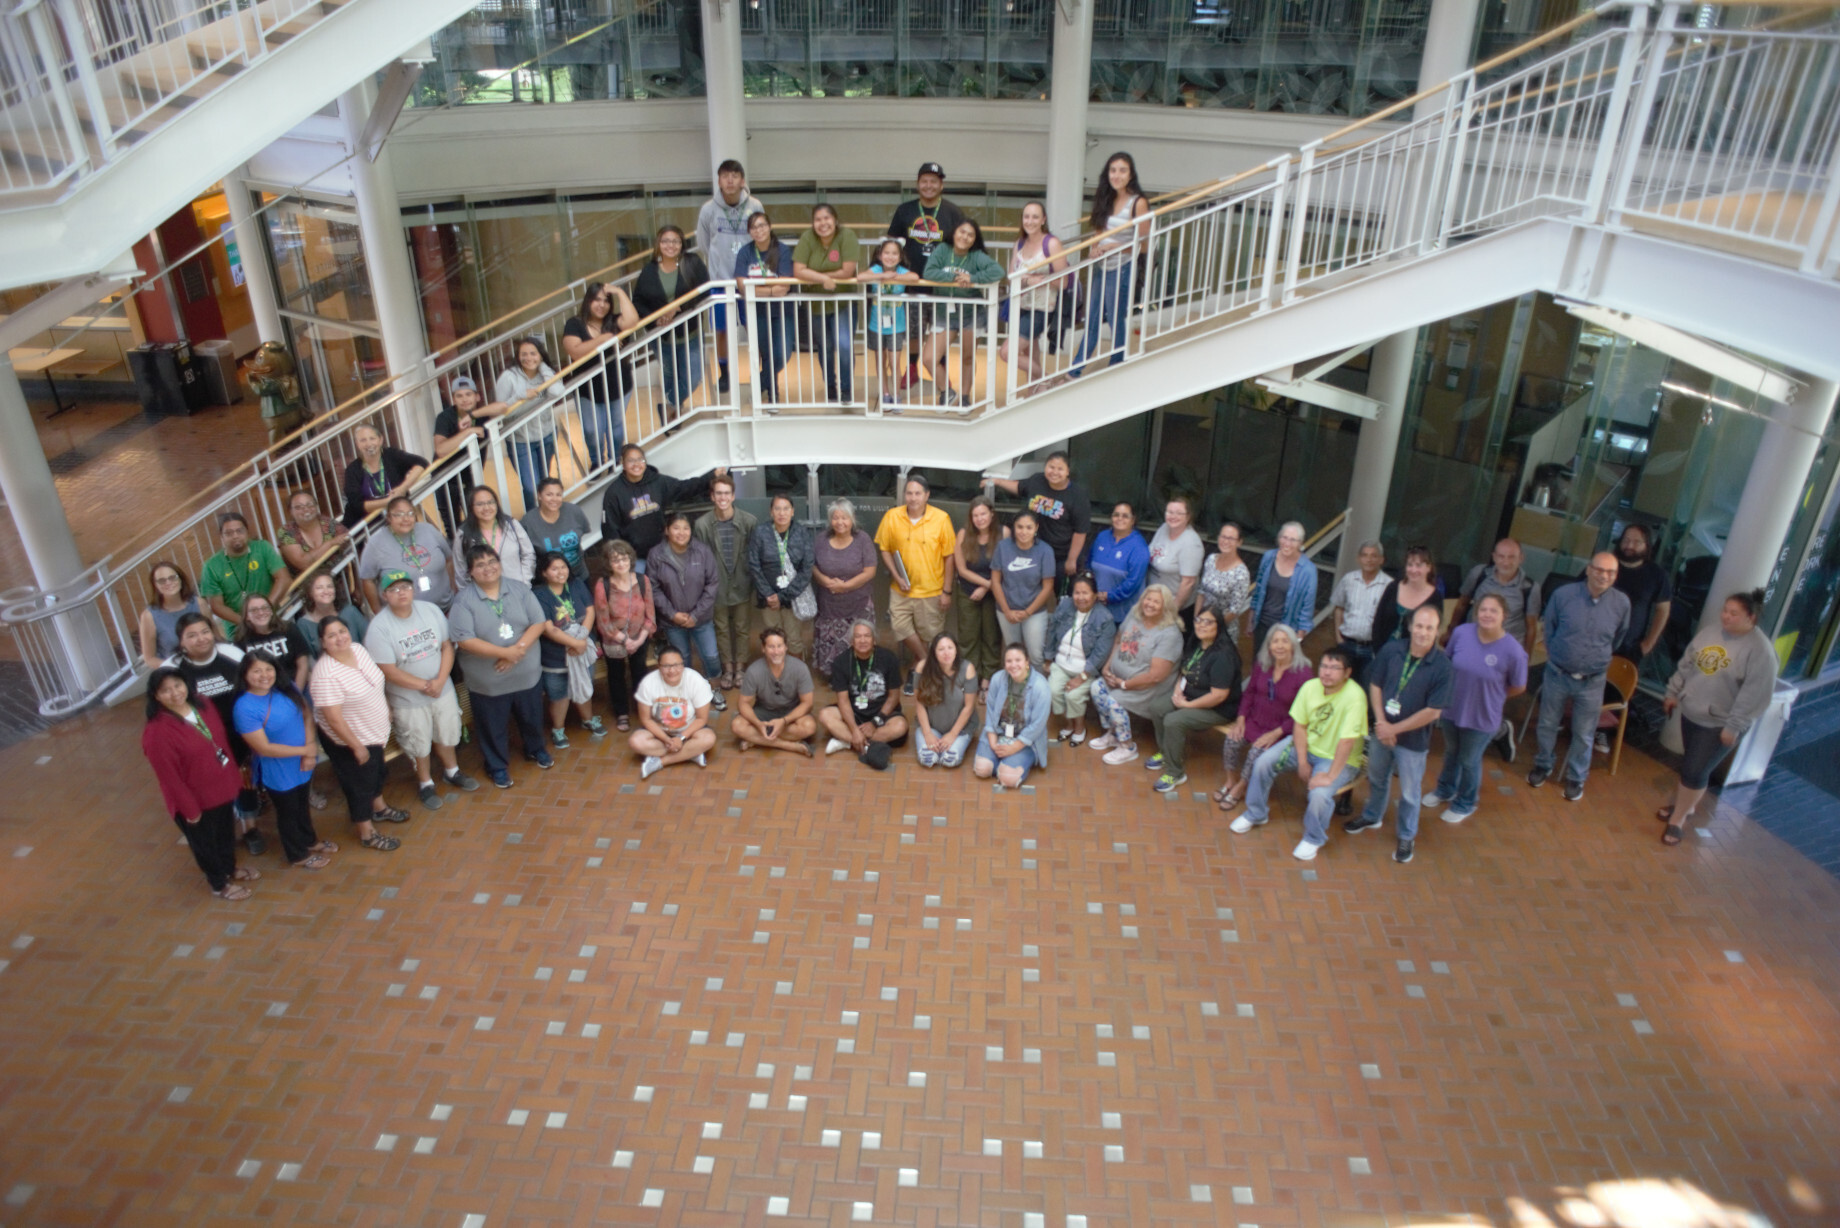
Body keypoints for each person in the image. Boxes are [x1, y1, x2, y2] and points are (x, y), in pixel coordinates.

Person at [1658, 589, 1777, 845]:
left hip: (1720, 723)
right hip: (1693, 712)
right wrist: (1673, 691)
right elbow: (1687, 664)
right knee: (1691, 764)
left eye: (1734, 614)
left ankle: (1677, 819)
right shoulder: (1710, 632)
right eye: (1725, 610)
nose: (1726, 616)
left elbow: (1754, 696)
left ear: (1751, 618)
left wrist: (1733, 727)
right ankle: (1685, 806)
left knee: (1695, 770)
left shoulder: (1761, 652)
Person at [1229, 646, 1368, 863]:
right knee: (1263, 761)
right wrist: (1303, 762)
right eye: (1324, 666)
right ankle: (1256, 813)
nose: (1327, 672)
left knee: (1320, 794)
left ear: (1347, 673)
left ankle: (1314, 837)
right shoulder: (1311, 687)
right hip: (1305, 747)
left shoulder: (1355, 697)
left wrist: (1330, 776)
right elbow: (1300, 727)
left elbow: (1347, 741)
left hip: (1338, 759)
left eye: (1334, 668)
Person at [1344, 605, 1453, 865]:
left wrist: (1395, 729)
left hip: (1412, 742)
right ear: (1409, 626)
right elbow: (1375, 684)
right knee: (1377, 777)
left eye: (1429, 627)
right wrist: (1382, 723)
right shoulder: (1392, 650)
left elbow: (1433, 712)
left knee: (1410, 792)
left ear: (1437, 631)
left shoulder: (1443, 667)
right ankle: (1372, 815)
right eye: (1419, 625)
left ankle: (1406, 835)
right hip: (1382, 731)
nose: (1423, 632)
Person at [364, 570, 477, 809]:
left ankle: (452, 770)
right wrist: (424, 686)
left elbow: (447, 646)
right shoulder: (379, 627)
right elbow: (388, 669)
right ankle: (425, 783)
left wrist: (440, 679)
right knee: (418, 742)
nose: (401, 593)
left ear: (413, 589)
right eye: (393, 589)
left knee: (447, 732)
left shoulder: (431, 611)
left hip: (442, 689)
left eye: (405, 587)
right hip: (408, 699)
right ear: (384, 595)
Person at [142, 666, 255, 899]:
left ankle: (229, 869)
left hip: (222, 787)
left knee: (225, 833)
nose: (174, 693)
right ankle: (218, 884)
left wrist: (234, 777)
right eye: (165, 690)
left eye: (178, 685)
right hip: (196, 800)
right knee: (206, 844)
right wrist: (190, 810)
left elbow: (220, 742)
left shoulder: (202, 703)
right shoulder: (157, 732)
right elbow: (169, 778)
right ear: (155, 696)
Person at [449, 545, 555, 789]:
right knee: (492, 727)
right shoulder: (463, 601)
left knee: (531, 717)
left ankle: (535, 749)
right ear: (471, 572)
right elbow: (464, 639)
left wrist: (515, 653)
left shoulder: (519, 589)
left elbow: (538, 622)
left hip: (525, 673)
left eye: (491, 561)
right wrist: (504, 653)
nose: (488, 568)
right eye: (480, 564)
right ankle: (497, 766)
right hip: (488, 682)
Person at [1528, 552, 1631, 803]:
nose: (1603, 576)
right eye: (1598, 569)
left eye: (1610, 572)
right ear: (1588, 570)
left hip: (1593, 681)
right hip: (1557, 674)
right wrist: (1558, 654)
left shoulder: (1622, 604)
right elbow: (1549, 627)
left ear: (1616, 576)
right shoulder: (1563, 595)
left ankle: (1576, 777)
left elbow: (1619, 636)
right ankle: (1543, 764)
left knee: (1584, 733)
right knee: (1548, 723)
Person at [1424, 593, 1528, 825]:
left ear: (1505, 616)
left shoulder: (1513, 651)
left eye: (1494, 611)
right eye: (1483, 609)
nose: (1487, 615)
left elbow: (1519, 686)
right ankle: (1445, 789)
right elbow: (1447, 664)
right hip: (1452, 708)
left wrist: (1496, 695)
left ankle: (1465, 803)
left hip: (1482, 715)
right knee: (1451, 752)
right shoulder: (1462, 633)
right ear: (1476, 612)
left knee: (1469, 760)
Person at [307, 616, 409, 851]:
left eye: (342, 631)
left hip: (372, 730)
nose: (339, 638)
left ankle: (380, 808)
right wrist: (356, 746)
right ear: (322, 642)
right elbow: (333, 718)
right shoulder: (325, 675)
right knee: (359, 785)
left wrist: (386, 706)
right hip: (350, 739)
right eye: (331, 636)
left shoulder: (358, 649)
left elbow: (374, 681)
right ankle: (366, 833)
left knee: (376, 772)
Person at [166, 612, 262, 851]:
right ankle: (223, 831)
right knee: (213, 786)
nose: (201, 639)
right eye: (192, 635)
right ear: (181, 641)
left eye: (205, 632)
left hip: (238, 732)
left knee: (244, 780)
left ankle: (250, 827)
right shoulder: (172, 669)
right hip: (200, 741)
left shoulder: (232, 655)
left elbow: (251, 687)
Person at [231, 653, 332, 870]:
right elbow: (264, 748)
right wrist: (307, 749)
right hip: (278, 769)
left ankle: (310, 841)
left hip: (303, 762)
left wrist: (309, 752)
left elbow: (306, 715)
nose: (264, 675)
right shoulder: (244, 707)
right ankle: (297, 854)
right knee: (288, 812)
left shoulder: (287, 688)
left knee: (302, 805)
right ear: (245, 675)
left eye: (268, 669)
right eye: (256, 671)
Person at [1068, 152, 1150, 379]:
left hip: (1123, 267)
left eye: (1122, 170)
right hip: (1101, 265)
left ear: (1131, 174)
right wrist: (1094, 248)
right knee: (1092, 317)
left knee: (1115, 317)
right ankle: (1076, 368)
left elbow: (1143, 245)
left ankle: (1117, 361)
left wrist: (1113, 246)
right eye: (1113, 170)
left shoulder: (1138, 203)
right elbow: (1098, 235)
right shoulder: (1105, 198)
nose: (1117, 175)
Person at [1215, 623, 1313, 811]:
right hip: (1255, 721)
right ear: (1269, 646)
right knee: (1231, 740)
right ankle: (1230, 781)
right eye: (1275, 641)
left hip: (1282, 729)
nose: (1280, 646)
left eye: (1285, 641)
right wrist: (1241, 719)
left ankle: (1240, 787)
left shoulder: (1304, 673)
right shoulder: (1263, 664)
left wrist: (1277, 733)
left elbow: (1303, 714)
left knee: (1255, 754)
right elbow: (1250, 692)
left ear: (1293, 644)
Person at [875, 474, 957, 695]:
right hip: (900, 590)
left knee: (929, 634)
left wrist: (947, 591)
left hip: (931, 590)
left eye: (918, 493)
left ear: (927, 495)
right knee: (900, 627)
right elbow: (885, 549)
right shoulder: (892, 516)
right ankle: (928, 663)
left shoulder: (941, 519)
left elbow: (949, 557)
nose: (913, 498)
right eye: (909, 493)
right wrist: (896, 575)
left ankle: (918, 670)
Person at [888, 161, 968, 387]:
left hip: (942, 285)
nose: (929, 185)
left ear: (941, 185)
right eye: (924, 181)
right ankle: (912, 368)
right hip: (912, 282)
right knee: (914, 330)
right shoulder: (905, 210)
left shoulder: (952, 212)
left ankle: (939, 372)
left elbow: (962, 246)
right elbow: (892, 244)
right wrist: (890, 272)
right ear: (917, 184)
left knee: (939, 329)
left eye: (934, 181)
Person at [1146, 607, 1242, 794]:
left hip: (1218, 708)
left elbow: (1219, 695)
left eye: (1208, 622)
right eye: (1199, 620)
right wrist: (1176, 693)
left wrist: (1187, 705)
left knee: (1174, 720)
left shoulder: (1223, 655)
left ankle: (1175, 773)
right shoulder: (1197, 644)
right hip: (1190, 695)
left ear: (1219, 625)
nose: (1201, 625)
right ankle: (1167, 752)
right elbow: (1184, 673)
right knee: (1157, 707)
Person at [1087, 584, 1183, 766]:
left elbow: (1156, 676)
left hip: (1148, 688)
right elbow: (1118, 639)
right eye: (1148, 599)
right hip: (1118, 678)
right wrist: (1107, 668)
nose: (1150, 604)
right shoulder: (1135, 614)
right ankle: (1113, 734)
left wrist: (1124, 684)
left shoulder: (1170, 634)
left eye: (1157, 602)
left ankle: (1127, 747)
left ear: (1166, 606)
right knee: (1096, 688)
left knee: (1114, 701)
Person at [696, 158, 765, 394]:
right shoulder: (708, 209)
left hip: (749, 281)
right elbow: (704, 243)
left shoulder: (754, 205)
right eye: (725, 176)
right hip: (720, 282)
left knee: (754, 328)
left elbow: (762, 237)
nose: (730, 180)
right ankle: (724, 372)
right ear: (719, 180)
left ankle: (760, 372)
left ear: (742, 180)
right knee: (722, 330)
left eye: (735, 175)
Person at [599, 444, 726, 568]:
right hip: (634, 561)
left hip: (661, 555)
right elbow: (610, 532)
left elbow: (684, 488)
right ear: (623, 463)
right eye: (631, 461)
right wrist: (621, 560)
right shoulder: (614, 493)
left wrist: (711, 477)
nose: (636, 464)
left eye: (640, 460)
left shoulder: (658, 482)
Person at [920, 219, 1003, 408]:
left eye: (970, 234)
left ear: (975, 239)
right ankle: (946, 391)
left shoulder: (976, 256)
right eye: (962, 232)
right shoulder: (942, 250)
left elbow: (998, 271)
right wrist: (955, 278)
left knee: (967, 357)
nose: (965, 237)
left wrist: (973, 278)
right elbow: (928, 272)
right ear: (954, 232)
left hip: (971, 313)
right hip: (944, 313)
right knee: (929, 358)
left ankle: (965, 396)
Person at [632, 224, 712, 419]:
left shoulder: (692, 263)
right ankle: (673, 414)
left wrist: (678, 307)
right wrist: (656, 318)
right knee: (669, 375)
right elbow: (638, 302)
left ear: (682, 244)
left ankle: (669, 405)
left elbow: (705, 291)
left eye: (675, 241)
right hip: (661, 336)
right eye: (666, 241)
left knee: (693, 377)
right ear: (659, 244)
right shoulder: (649, 270)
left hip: (689, 333)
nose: (671, 245)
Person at [648, 512, 725, 709]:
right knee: (681, 658)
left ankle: (714, 690)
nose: (681, 533)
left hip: (701, 618)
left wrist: (696, 614)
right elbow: (653, 589)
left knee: (711, 655)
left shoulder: (702, 551)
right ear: (667, 530)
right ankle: (688, 695)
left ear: (691, 531)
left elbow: (712, 584)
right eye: (676, 528)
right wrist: (672, 614)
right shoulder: (656, 555)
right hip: (672, 621)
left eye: (685, 528)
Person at [559, 278, 638, 470]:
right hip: (588, 389)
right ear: (588, 301)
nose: (601, 305)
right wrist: (605, 338)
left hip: (618, 384)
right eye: (596, 300)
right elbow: (576, 352)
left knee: (616, 429)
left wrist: (619, 292)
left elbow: (633, 321)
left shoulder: (614, 321)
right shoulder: (575, 324)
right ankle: (596, 460)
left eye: (606, 300)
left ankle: (614, 460)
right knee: (592, 430)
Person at [694, 473, 760, 690]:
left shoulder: (749, 521)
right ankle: (728, 668)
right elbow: (701, 559)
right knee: (721, 628)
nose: (723, 498)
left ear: (733, 496)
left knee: (742, 627)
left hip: (742, 582)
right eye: (718, 493)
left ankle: (740, 668)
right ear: (712, 496)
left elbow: (754, 555)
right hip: (716, 586)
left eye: (727, 493)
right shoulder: (702, 525)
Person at [989, 452, 1091, 591]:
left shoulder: (1078, 495)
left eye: (1060, 469)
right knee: (1032, 589)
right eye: (1051, 467)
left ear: (1068, 472)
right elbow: (1019, 487)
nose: (1054, 472)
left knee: (1061, 593)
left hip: (1061, 555)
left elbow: (1081, 531)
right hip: (1033, 549)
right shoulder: (1037, 481)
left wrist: (1072, 559)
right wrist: (997, 481)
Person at [791, 203, 861, 404]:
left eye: (826, 218)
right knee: (825, 346)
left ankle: (846, 389)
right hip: (816, 304)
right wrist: (824, 279)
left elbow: (847, 271)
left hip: (843, 302)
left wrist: (814, 276)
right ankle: (830, 384)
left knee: (844, 344)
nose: (823, 223)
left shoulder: (846, 236)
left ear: (835, 220)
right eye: (818, 219)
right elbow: (798, 270)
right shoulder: (807, 238)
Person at [534, 551, 604, 748]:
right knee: (558, 694)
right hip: (555, 655)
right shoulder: (539, 594)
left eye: (563, 567)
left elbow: (590, 610)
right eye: (554, 569)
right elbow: (547, 628)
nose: (560, 572)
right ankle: (558, 729)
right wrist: (574, 644)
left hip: (582, 649)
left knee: (584, 684)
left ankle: (588, 719)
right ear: (544, 573)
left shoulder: (576, 584)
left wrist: (581, 639)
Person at [821, 619, 909, 764]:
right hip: (854, 712)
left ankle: (846, 742)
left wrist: (875, 722)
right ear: (851, 641)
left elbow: (894, 696)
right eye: (858, 636)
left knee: (900, 726)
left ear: (874, 640)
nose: (862, 640)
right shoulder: (841, 662)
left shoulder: (889, 658)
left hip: (881, 714)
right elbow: (843, 700)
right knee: (825, 715)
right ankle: (860, 742)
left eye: (867, 636)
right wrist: (854, 729)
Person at [590, 538, 655, 734]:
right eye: (615, 560)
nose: (621, 563)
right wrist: (626, 641)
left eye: (624, 559)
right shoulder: (603, 585)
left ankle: (641, 706)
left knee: (639, 672)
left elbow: (650, 615)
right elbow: (603, 622)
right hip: (614, 640)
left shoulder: (643, 581)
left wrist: (640, 639)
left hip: (640, 636)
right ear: (608, 563)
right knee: (616, 676)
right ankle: (622, 712)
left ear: (631, 559)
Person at [733, 210, 796, 409]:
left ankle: (760, 382)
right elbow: (742, 286)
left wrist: (757, 289)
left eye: (762, 225)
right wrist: (770, 290)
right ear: (749, 232)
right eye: (754, 227)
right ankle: (773, 395)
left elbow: (784, 287)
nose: (758, 230)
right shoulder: (745, 252)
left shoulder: (783, 250)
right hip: (756, 312)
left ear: (769, 227)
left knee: (782, 353)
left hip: (781, 312)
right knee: (766, 353)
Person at [1001, 201, 1067, 389]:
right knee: (1031, 354)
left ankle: (1046, 378)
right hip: (1020, 305)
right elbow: (1010, 278)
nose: (1030, 221)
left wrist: (1041, 280)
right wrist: (1028, 280)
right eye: (1026, 216)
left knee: (1007, 353)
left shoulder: (1052, 243)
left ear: (1043, 220)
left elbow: (1063, 282)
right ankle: (1035, 391)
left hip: (1041, 308)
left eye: (1035, 217)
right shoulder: (1020, 244)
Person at [493, 336, 563, 511]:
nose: (528, 358)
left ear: (541, 355)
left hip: (546, 434)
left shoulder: (545, 373)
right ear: (517, 356)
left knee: (544, 484)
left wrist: (544, 368)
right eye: (524, 354)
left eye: (533, 354)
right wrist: (520, 398)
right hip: (520, 441)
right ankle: (532, 520)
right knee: (531, 487)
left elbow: (557, 392)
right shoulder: (509, 377)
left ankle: (546, 515)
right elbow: (500, 412)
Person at [1045, 574, 1116, 746]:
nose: (1081, 598)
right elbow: (1052, 631)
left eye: (1085, 593)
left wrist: (1082, 677)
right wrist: (1048, 658)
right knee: (1053, 691)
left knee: (1073, 695)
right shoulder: (1065, 606)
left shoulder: (1105, 618)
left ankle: (1079, 728)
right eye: (1077, 593)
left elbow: (1101, 653)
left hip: (1086, 669)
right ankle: (1068, 725)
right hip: (1061, 664)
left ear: (1095, 595)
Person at [811, 499, 879, 676]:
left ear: (852, 519)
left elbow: (870, 571)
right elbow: (812, 565)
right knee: (831, 642)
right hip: (829, 605)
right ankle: (833, 674)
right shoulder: (821, 540)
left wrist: (846, 586)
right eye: (835, 517)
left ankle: (859, 673)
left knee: (860, 640)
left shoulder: (862, 539)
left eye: (844, 517)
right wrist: (825, 580)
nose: (840, 522)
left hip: (859, 604)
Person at [431, 376, 506, 533]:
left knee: (477, 522)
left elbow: (503, 407)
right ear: (453, 399)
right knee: (452, 528)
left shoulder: (481, 415)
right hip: (445, 479)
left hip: (470, 478)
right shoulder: (445, 417)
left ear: (477, 396)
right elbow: (441, 450)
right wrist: (469, 431)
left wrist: (472, 415)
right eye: (459, 395)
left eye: (468, 394)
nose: (464, 399)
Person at [630, 646, 717, 779]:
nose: (672, 671)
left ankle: (659, 762)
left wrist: (681, 738)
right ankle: (691, 753)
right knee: (636, 741)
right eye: (666, 666)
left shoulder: (696, 680)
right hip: (660, 732)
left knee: (708, 738)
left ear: (683, 665)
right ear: (659, 667)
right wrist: (666, 739)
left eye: (676, 665)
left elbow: (701, 719)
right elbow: (646, 719)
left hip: (689, 731)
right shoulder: (648, 683)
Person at [748, 493, 815, 661]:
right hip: (768, 598)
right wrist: (769, 595)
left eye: (786, 509)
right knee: (773, 638)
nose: (781, 513)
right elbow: (754, 565)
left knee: (794, 638)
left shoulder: (801, 532)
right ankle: (776, 673)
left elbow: (807, 568)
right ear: (771, 512)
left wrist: (784, 596)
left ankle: (795, 675)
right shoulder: (760, 532)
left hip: (793, 597)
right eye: (777, 509)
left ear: (792, 512)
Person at [360, 496, 456, 612]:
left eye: (410, 513)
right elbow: (367, 580)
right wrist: (378, 612)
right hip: (405, 618)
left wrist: (453, 591)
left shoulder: (429, 530)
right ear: (389, 518)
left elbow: (449, 560)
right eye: (399, 515)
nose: (406, 518)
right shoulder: (376, 543)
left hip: (445, 609)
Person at [199, 512, 290, 635]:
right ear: (221, 536)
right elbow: (216, 606)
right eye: (229, 533)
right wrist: (246, 621)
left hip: (273, 619)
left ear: (247, 532)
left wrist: (264, 610)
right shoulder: (211, 566)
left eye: (239, 531)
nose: (235, 536)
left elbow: (283, 579)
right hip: (238, 629)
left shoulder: (263, 548)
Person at [1448, 537, 1541, 657]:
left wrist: (1525, 658)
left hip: (1504, 653)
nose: (1506, 562)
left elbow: (1531, 627)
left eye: (1511, 557)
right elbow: (1462, 604)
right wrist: (1450, 632)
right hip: (1472, 644)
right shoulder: (1479, 574)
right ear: (1494, 557)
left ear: (1521, 558)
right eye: (1501, 556)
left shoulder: (1530, 588)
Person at [976, 643, 1052, 788]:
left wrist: (1013, 748)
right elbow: (991, 712)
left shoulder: (1041, 687)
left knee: (1008, 779)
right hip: (998, 734)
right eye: (1009, 661)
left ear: (1027, 662)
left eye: (1018, 660)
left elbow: (1037, 725)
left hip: (1024, 741)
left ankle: (1012, 761)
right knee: (982, 769)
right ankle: (1003, 761)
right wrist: (992, 742)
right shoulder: (998, 679)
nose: (1013, 665)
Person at [733, 626, 817, 755]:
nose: (776, 651)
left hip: (790, 712)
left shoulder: (800, 668)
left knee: (809, 727)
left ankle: (757, 740)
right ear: (763, 649)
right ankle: (790, 746)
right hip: (764, 711)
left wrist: (784, 721)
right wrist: (757, 724)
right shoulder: (754, 670)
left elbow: (807, 703)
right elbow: (743, 703)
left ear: (786, 647)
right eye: (771, 647)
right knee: (737, 725)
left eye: (779, 646)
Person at [952, 496, 1006, 685]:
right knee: (968, 637)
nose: (979, 518)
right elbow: (961, 569)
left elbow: (1006, 565)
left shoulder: (1003, 533)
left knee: (992, 637)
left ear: (991, 514)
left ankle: (988, 680)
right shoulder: (963, 534)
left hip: (995, 592)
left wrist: (986, 586)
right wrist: (985, 584)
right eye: (975, 515)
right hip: (968, 590)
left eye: (983, 513)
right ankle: (971, 676)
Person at [860, 237, 918, 410]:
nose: (890, 257)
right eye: (886, 253)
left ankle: (897, 396)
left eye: (894, 253)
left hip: (896, 326)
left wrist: (896, 277)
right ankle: (885, 394)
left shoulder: (901, 270)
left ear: (900, 257)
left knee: (895, 363)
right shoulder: (876, 269)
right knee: (880, 360)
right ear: (879, 254)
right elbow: (861, 276)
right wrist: (882, 276)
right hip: (876, 325)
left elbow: (914, 277)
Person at [993, 510, 1055, 665]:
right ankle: (1016, 687)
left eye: (1029, 527)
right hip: (1007, 611)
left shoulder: (1045, 551)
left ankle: (1036, 688)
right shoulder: (1003, 547)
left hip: (1034, 611)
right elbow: (995, 581)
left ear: (1036, 528)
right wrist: (1007, 610)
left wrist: (1028, 612)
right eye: (1019, 527)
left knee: (1035, 655)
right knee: (1013, 654)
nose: (1023, 532)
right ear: (1014, 527)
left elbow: (1048, 587)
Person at [339, 422, 428, 530]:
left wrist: (403, 488)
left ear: (380, 440)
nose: (368, 444)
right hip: (368, 529)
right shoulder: (353, 469)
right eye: (363, 440)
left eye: (372, 438)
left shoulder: (391, 455)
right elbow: (356, 504)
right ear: (357, 444)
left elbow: (422, 463)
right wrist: (387, 502)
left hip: (399, 520)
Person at [913, 632, 978, 768]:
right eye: (941, 649)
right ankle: (934, 740)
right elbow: (919, 704)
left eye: (950, 647)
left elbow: (969, 707)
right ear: (934, 653)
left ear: (956, 650)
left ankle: (959, 740)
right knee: (928, 759)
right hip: (931, 725)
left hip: (960, 729)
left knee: (949, 760)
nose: (946, 653)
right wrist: (927, 733)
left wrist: (953, 734)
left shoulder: (967, 669)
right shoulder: (922, 668)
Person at [1330, 541, 1391, 681]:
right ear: (1358, 559)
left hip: (1371, 649)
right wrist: (1339, 638)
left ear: (1381, 559)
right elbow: (1338, 607)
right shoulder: (1348, 580)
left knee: (1365, 688)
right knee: (1339, 683)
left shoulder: (1389, 585)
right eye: (1364, 555)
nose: (1369, 560)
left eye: (1374, 556)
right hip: (1346, 644)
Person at [455, 484, 537, 587]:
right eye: (480, 504)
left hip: (516, 590)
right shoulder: (463, 534)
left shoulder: (511, 524)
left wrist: (524, 582)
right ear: (471, 507)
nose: (486, 508)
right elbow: (461, 570)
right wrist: (472, 596)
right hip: (484, 596)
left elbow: (528, 554)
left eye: (490, 502)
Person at [1613, 523, 1672, 665]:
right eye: (1626, 540)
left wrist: (1649, 643)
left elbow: (1663, 610)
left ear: (1647, 545)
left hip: (1628, 648)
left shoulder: (1656, 575)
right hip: (1591, 640)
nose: (1629, 546)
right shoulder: (1605, 564)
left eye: (1636, 542)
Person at [1250, 521, 1315, 647]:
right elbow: (1258, 591)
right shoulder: (1268, 557)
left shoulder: (1308, 570)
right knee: (1259, 665)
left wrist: (1299, 636)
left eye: (1293, 540)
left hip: (1287, 631)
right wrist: (1251, 620)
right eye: (1284, 538)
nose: (1287, 543)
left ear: (1300, 543)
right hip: (1262, 625)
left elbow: (1307, 608)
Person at [521, 477, 594, 583]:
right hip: (548, 582)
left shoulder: (574, 511)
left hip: (579, 576)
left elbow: (582, 533)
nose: (554, 499)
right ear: (539, 496)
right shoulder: (528, 522)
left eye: (558, 495)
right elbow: (525, 555)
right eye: (549, 494)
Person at [234, 594, 311, 692]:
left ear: (271, 611)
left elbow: (303, 664)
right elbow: (245, 675)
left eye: (265, 608)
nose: (261, 612)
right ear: (246, 616)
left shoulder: (289, 629)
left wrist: (297, 693)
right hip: (264, 693)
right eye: (254, 610)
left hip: (297, 686)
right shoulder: (241, 640)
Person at [1370, 545, 1444, 645]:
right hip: (1383, 653)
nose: (1413, 570)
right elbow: (1378, 621)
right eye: (1410, 565)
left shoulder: (1435, 598)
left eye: (1418, 565)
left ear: (1429, 568)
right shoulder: (1393, 587)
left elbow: (1432, 633)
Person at [1089, 502, 1149, 625]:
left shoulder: (1139, 547)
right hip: (1094, 606)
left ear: (1133, 520)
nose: (1120, 519)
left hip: (1121, 615)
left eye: (1125, 516)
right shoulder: (1102, 536)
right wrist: (1090, 590)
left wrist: (1108, 596)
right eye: (1116, 515)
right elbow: (1089, 563)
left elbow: (1133, 582)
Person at [1146, 495, 1204, 619]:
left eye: (1179, 513)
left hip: (1172, 607)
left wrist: (1172, 611)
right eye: (1170, 512)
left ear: (1188, 516)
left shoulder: (1191, 543)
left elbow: (1188, 582)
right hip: (1153, 601)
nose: (1173, 516)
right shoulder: (1163, 528)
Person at [138, 560, 203, 669]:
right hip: (178, 673)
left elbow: (215, 638)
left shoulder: (199, 604)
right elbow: (149, 658)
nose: (168, 583)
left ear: (181, 579)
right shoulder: (149, 616)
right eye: (162, 581)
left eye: (172, 577)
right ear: (155, 586)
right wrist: (175, 668)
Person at [1197, 522, 1253, 645]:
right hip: (1202, 626)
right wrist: (1197, 620)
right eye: (1223, 536)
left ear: (1239, 542)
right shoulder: (1211, 559)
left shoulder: (1241, 573)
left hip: (1222, 630)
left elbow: (1234, 611)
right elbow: (1201, 592)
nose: (1226, 541)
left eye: (1231, 538)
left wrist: (1212, 627)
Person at [296, 572, 369, 660]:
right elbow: (311, 660)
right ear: (310, 593)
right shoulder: (304, 624)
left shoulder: (350, 611)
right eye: (319, 588)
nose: (326, 591)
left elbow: (369, 640)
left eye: (329, 586)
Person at [275, 489, 348, 576]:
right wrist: (330, 543)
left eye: (310, 505)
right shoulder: (287, 532)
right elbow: (303, 563)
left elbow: (348, 539)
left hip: (339, 577)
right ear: (290, 511)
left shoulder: (329, 523)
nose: (306, 509)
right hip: (307, 585)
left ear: (316, 507)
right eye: (299, 507)